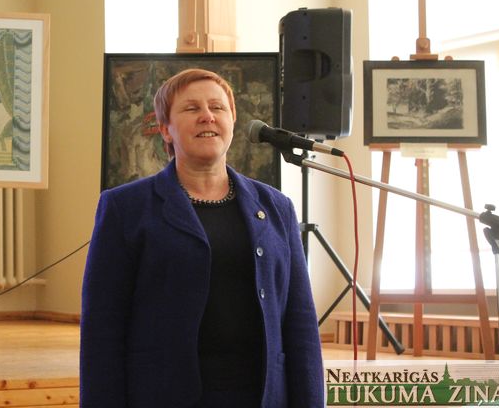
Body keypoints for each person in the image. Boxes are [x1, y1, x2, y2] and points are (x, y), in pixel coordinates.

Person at [80, 68, 324, 407]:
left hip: (261, 396)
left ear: (232, 120)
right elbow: (102, 331)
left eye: (217, 107)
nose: (207, 116)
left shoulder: (276, 207)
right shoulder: (125, 208)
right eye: (191, 108)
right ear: (165, 128)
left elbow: (300, 324)